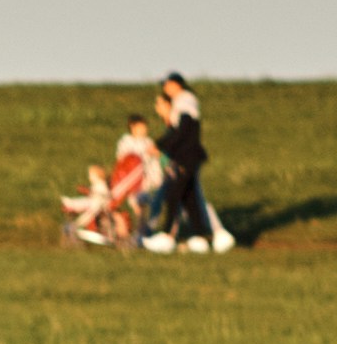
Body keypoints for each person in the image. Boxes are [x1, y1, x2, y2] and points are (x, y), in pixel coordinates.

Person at [145, 75, 230, 252]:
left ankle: (167, 237)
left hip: (186, 157)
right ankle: (201, 238)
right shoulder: (182, 102)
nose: (165, 88)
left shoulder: (185, 101)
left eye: (167, 85)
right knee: (190, 198)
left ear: (176, 84)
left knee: (173, 194)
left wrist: (159, 145)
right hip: (187, 157)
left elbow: (182, 131)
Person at [59, 108, 164, 247]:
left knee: (140, 206)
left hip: (145, 180)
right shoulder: (126, 142)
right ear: (132, 127)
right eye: (141, 127)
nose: (144, 129)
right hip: (130, 181)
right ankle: (136, 234)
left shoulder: (149, 142)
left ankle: (141, 233)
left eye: (145, 127)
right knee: (131, 203)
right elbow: (124, 162)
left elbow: (155, 160)